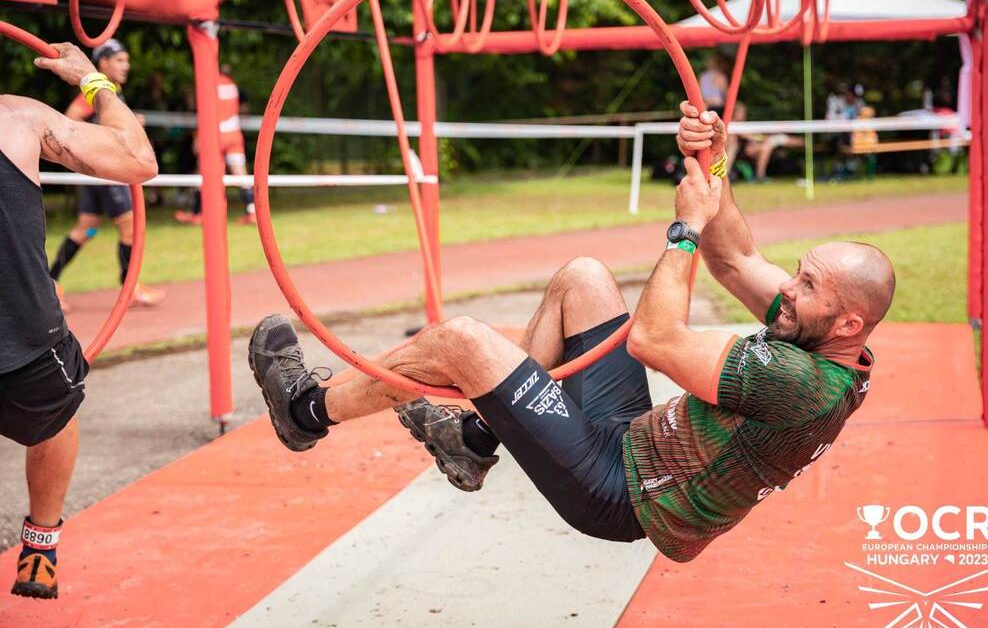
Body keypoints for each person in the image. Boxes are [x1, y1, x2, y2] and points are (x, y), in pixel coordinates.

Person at [248, 101, 895, 563]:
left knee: (461, 341)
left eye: (807, 285)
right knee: (583, 278)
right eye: (798, 273)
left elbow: (653, 338)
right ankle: (473, 441)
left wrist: (686, 229)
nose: (787, 288)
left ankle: (305, 412)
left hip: (622, 494)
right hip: (636, 440)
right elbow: (737, 259)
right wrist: (715, 163)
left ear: (848, 321)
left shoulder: (799, 380)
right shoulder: (823, 330)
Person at [2, 43, 158, 598]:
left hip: (21, 330)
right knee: (57, 409)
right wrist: (93, 83)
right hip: (23, 332)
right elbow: (139, 159)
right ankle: (41, 543)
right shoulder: (16, 117)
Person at [48, 38, 164, 309]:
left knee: (86, 229)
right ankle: (129, 288)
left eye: (127, 60)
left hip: (98, 173)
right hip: (106, 172)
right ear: (103, 63)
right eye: (120, 60)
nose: (127, 65)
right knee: (130, 227)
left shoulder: (110, 92)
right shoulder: (95, 91)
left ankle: (50, 283)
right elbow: (71, 117)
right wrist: (100, 141)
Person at [175, 65, 256, 226]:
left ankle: (198, 213)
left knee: (204, 172)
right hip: (234, 134)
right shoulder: (232, 86)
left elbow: (206, 113)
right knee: (241, 174)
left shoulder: (209, 85)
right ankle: (252, 211)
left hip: (215, 136)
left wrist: (198, 136)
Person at [726, 102, 803, 181]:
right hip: (746, 152)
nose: (744, 114)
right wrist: (763, 138)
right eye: (742, 112)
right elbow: (750, 137)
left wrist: (763, 137)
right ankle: (760, 175)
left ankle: (803, 142)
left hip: (753, 147)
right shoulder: (732, 124)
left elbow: (754, 136)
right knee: (769, 145)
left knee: (774, 141)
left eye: (744, 112)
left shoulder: (743, 124)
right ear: (735, 113)